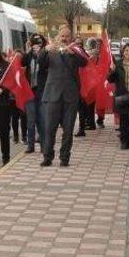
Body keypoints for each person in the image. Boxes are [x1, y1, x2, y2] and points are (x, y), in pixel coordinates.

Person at [39, 26, 88, 167]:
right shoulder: (50, 50)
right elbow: (40, 63)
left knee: (68, 129)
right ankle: (47, 157)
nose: (64, 39)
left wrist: (72, 52)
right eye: (62, 36)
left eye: (67, 36)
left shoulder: (75, 51)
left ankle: (64, 157)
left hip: (70, 96)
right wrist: (44, 50)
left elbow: (84, 62)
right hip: (52, 94)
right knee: (49, 128)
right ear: (58, 37)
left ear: (71, 38)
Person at [23, 33, 48, 153]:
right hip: (29, 91)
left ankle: (44, 145)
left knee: (41, 119)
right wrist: (27, 50)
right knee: (31, 119)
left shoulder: (46, 55)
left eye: (39, 43)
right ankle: (30, 145)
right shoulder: (28, 56)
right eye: (34, 43)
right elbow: (22, 62)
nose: (36, 45)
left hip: (42, 91)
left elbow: (46, 67)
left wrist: (40, 55)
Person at [109, 42, 129, 149]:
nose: (128, 53)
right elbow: (110, 80)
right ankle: (124, 142)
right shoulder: (118, 64)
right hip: (122, 95)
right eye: (126, 51)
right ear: (123, 52)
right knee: (124, 120)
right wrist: (111, 71)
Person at [73, 37, 88, 137]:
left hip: (82, 85)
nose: (78, 45)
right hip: (73, 85)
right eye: (76, 43)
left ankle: (81, 129)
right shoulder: (72, 53)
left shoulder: (83, 54)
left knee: (81, 108)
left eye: (80, 43)